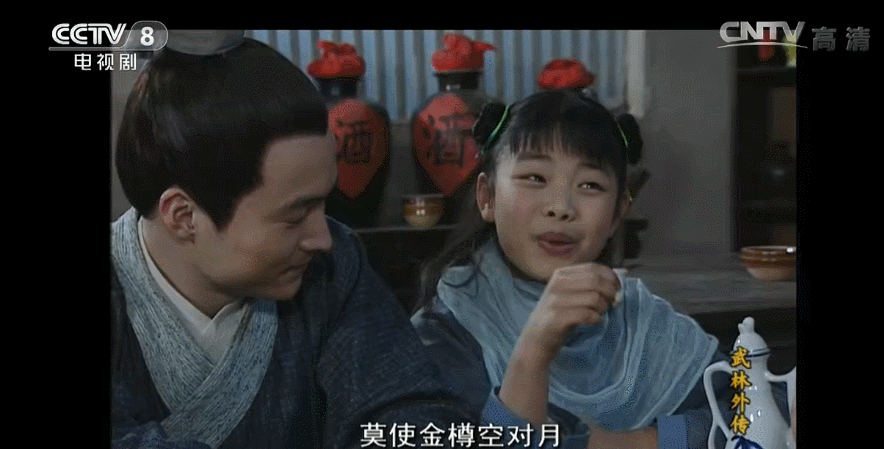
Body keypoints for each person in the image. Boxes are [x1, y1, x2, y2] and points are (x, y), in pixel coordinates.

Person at [110, 30, 487, 449]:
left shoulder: (332, 266)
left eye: (323, 204)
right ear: (183, 216)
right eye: (294, 215)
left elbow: (407, 405)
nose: (323, 237)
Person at [411, 90, 790, 449]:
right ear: (487, 197)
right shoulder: (445, 331)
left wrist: (642, 442)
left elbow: (763, 404)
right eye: (535, 178)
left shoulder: (641, 319)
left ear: (616, 215)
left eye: (590, 185)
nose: (561, 207)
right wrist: (534, 350)